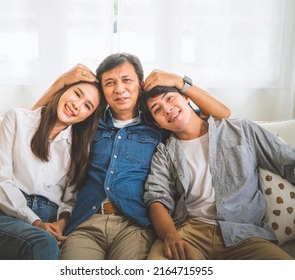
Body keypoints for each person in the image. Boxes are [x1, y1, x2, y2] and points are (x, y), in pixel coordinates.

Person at [33, 53, 231, 259]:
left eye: (127, 80)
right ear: (102, 89)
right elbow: (33, 121)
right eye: (110, 83)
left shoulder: (159, 121)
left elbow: (222, 114)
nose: (119, 89)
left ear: (140, 84)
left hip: (135, 225)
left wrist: (179, 82)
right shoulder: (89, 121)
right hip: (86, 223)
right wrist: (62, 81)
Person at [140, 85, 295, 260]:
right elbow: (157, 198)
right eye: (157, 109)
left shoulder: (241, 129)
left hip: (244, 234)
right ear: (158, 124)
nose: (167, 109)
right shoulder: (163, 152)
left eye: (169, 98)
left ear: (186, 98)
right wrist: (171, 236)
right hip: (190, 233)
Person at [0, 79, 105, 259]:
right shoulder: (17, 119)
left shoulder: (79, 146)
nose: (76, 105)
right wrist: (35, 222)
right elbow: (0, 183)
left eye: (87, 106)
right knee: (44, 242)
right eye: (77, 94)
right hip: (2, 215)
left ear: (88, 116)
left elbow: (70, 199)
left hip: (50, 218)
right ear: (63, 90)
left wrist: (61, 224)